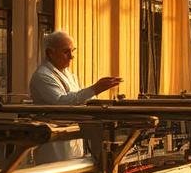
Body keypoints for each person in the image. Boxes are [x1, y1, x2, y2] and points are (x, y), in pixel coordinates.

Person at [29, 29, 123, 163]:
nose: (72, 56)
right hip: (54, 141)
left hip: (73, 136)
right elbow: (61, 102)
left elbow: (79, 99)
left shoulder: (68, 74)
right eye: (66, 52)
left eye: (73, 51)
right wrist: (94, 89)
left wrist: (101, 102)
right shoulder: (42, 76)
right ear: (50, 53)